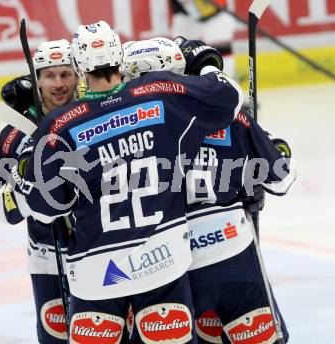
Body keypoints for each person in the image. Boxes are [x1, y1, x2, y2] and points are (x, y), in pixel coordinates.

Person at [18, 21, 243, 343]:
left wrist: (27, 167)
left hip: (95, 271)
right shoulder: (161, 94)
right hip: (162, 258)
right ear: (121, 58)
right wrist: (204, 61)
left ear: (79, 68)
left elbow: (44, 209)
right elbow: (229, 97)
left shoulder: (60, 125)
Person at [123, 36, 296, 344]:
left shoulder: (125, 130)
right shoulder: (231, 115)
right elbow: (280, 178)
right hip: (233, 254)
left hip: (167, 265)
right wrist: (270, 152)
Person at [0, 39, 78, 343]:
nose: (59, 84)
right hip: (47, 259)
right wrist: (28, 187)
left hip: (96, 253)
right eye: (49, 76)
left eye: (66, 74)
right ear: (35, 81)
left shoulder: (92, 115)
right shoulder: (15, 132)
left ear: (79, 75)